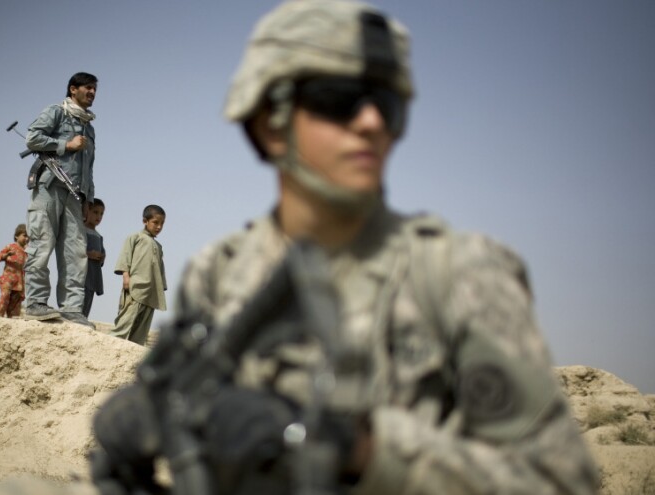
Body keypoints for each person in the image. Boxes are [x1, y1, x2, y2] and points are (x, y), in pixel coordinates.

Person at [90, 1, 599, 494]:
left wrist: (356, 450)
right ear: (270, 120)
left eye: (389, 104)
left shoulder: (459, 273)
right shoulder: (218, 271)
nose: (372, 123)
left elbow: (559, 481)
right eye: (340, 99)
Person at [22, 71, 98, 328]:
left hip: (76, 196)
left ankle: (72, 308)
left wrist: (89, 199)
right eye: (87, 88)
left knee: (76, 252)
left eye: (94, 89)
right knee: (42, 243)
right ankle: (35, 302)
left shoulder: (90, 128)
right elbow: (33, 138)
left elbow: (89, 167)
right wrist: (67, 144)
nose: (92, 93)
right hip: (50, 188)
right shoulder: (57, 112)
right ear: (72, 89)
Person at [109, 205, 166, 346]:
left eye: (162, 223)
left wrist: (160, 289)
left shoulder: (158, 246)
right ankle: (109, 348)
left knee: (141, 333)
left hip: (151, 294)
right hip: (136, 288)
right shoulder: (135, 237)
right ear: (145, 221)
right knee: (124, 324)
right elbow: (125, 257)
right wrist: (126, 277)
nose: (159, 226)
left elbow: (160, 270)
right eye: (155, 222)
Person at [0, 224, 30, 318]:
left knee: (16, 301)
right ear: (16, 236)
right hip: (8, 278)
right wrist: (6, 256)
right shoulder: (11, 247)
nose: (27, 238)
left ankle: (12, 318)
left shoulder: (27, 251)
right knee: (5, 296)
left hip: (20, 281)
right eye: (24, 235)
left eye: (28, 237)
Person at [83, 198, 106, 318]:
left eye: (101, 214)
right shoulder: (81, 230)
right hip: (81, 275)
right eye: (95, 212)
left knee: (88, 299)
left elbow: (102, 254)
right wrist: (88, 254)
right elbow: (74, 250)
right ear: (87, 211)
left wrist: (102, 257)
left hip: (93, 276)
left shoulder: (99, 236)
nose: (99, 216)